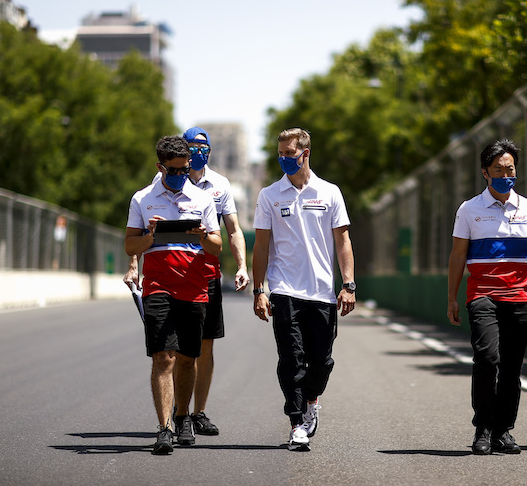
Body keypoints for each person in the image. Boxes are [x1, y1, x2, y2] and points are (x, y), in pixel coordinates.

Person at [125, 127, 250, 437]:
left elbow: (222, 239)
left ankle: (190, 415)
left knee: (192, 354)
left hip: (198, 283)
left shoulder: (210, 193)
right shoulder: (145, 196)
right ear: (161, 167)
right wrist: (144, 247)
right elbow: (132, 243)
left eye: (185, 168)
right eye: (174, 169)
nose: (181, 173)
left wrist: (229, 256)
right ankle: (165, 426)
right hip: (159, 284)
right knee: (163, 356)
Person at [447, 138, 527, 455]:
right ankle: (482, 427)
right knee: (487, 358)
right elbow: (457, 256)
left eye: (510, 169)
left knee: (511, 367)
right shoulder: (469, 210)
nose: (506, 174)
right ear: (485, 172)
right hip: (482, 296)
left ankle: (503, 431)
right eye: (498, 169)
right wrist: (452, 297)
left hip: (520, 297)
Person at [252, 127, 356, 451]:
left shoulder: (329, 192)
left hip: (322, 292)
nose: (284, 159)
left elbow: (343, 241)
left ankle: (312, 399)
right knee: (291, 359)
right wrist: (260, 290)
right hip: (284, 289)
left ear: (305, 153)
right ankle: (296, 423)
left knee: (322, 362)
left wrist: (348, 284)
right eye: (280, 154)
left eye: (289, 154)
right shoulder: (269, 195)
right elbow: (261, 246)